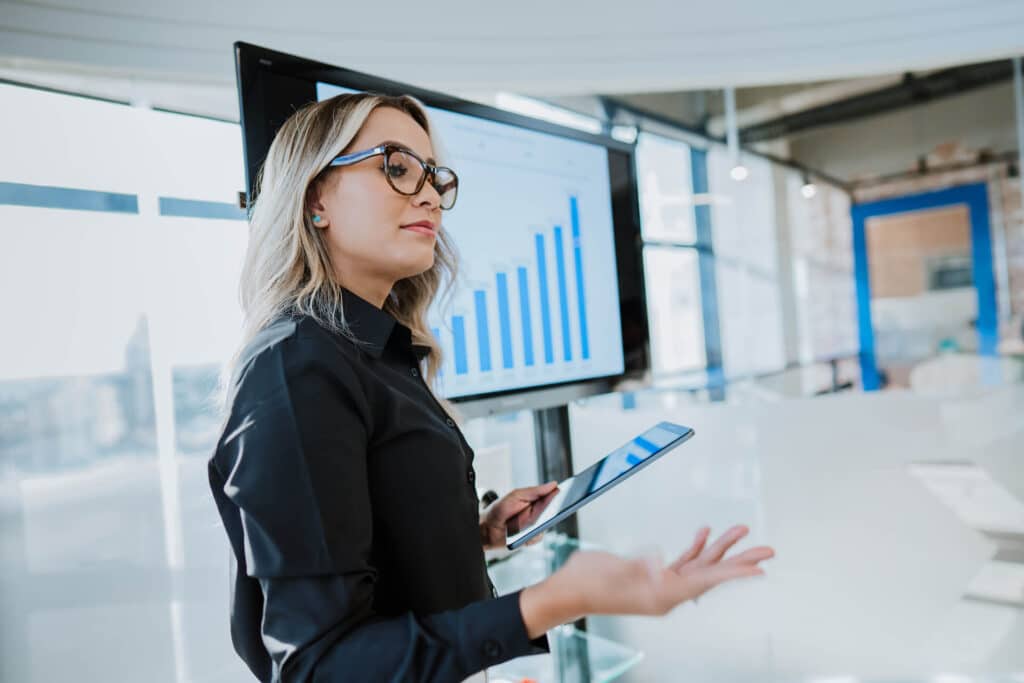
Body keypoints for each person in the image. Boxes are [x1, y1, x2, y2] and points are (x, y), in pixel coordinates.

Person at [207, 92, 775, 683]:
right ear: (315, 197)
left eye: (434, 177)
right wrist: (554, 600)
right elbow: (320, 665)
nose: (429, 195)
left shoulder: (373, 353)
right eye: (396, 167)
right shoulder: (297, 368)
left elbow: (358, 544)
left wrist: (468, 530)